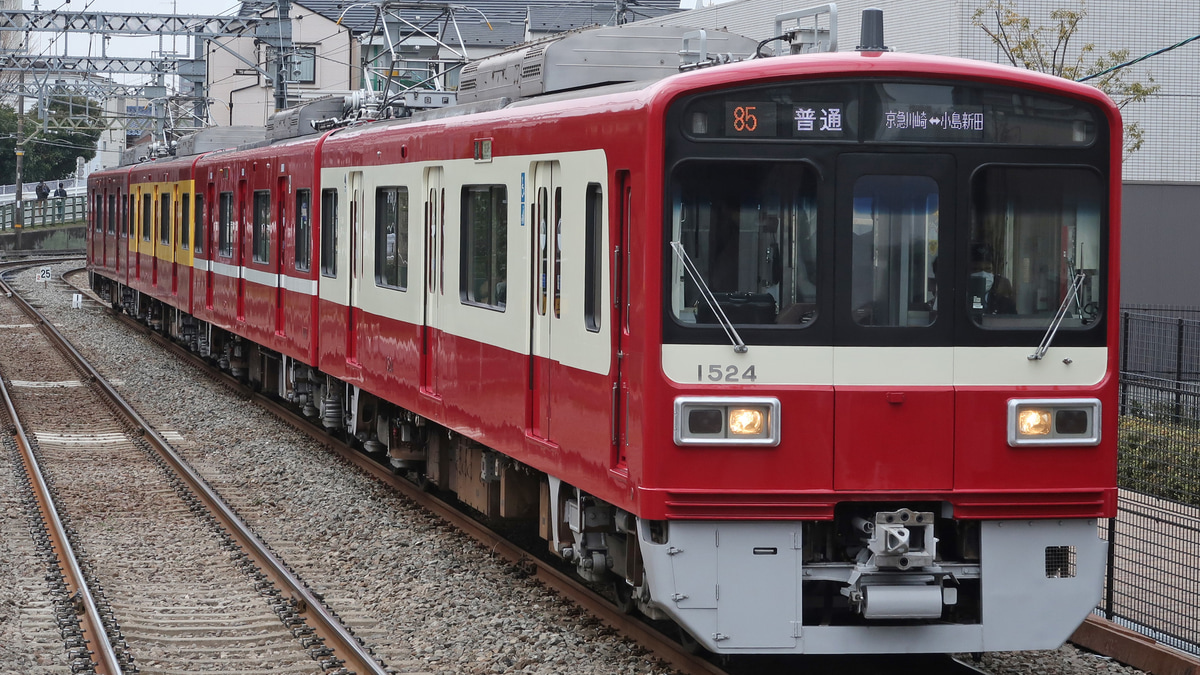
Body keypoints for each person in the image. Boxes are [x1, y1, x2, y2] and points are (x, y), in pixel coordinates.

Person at [969, 242, 1016, 314]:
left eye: (988, 269)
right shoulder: (957, 301)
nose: (982, 274)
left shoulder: (1006, 304)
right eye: (976, 269)